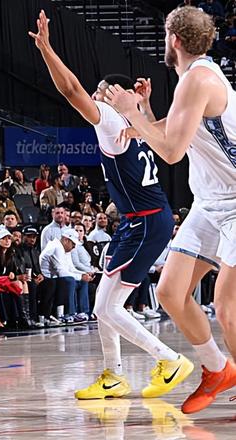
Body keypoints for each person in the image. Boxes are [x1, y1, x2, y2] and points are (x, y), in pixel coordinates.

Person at [30, 9, 193, 401]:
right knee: (106, 300)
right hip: (144, 220)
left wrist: (47, 49)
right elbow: (158, 128)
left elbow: (71, 91)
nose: (95, 95)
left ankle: (170, 359)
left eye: (101, 91)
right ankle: (113, 375)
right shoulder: (140, 126)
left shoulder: (110, 119)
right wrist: (145, 105)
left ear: (113, 96)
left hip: (145, 221)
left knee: (105, 307)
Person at [104, 6, 236, 413]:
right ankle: (218, 369)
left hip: (235, 204)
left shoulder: (198, 79)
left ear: (173, 39)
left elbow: (173, 152)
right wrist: (144, 114)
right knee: (169, 292)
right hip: (210, 203)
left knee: (227, 307)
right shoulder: (193, 78)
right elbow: (174, 129)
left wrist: (129, 111)